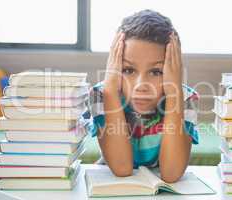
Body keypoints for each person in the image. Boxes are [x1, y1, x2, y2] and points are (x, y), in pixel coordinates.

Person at [85, 9, 199, 183]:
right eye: (128, 70)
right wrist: (110, 92)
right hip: (112, 180)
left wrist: (174, 91)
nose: (141, 85)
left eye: (156, 71)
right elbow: (122, 168)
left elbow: (171, 173)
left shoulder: (185, 98)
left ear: (172, 71)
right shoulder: (102, 95)